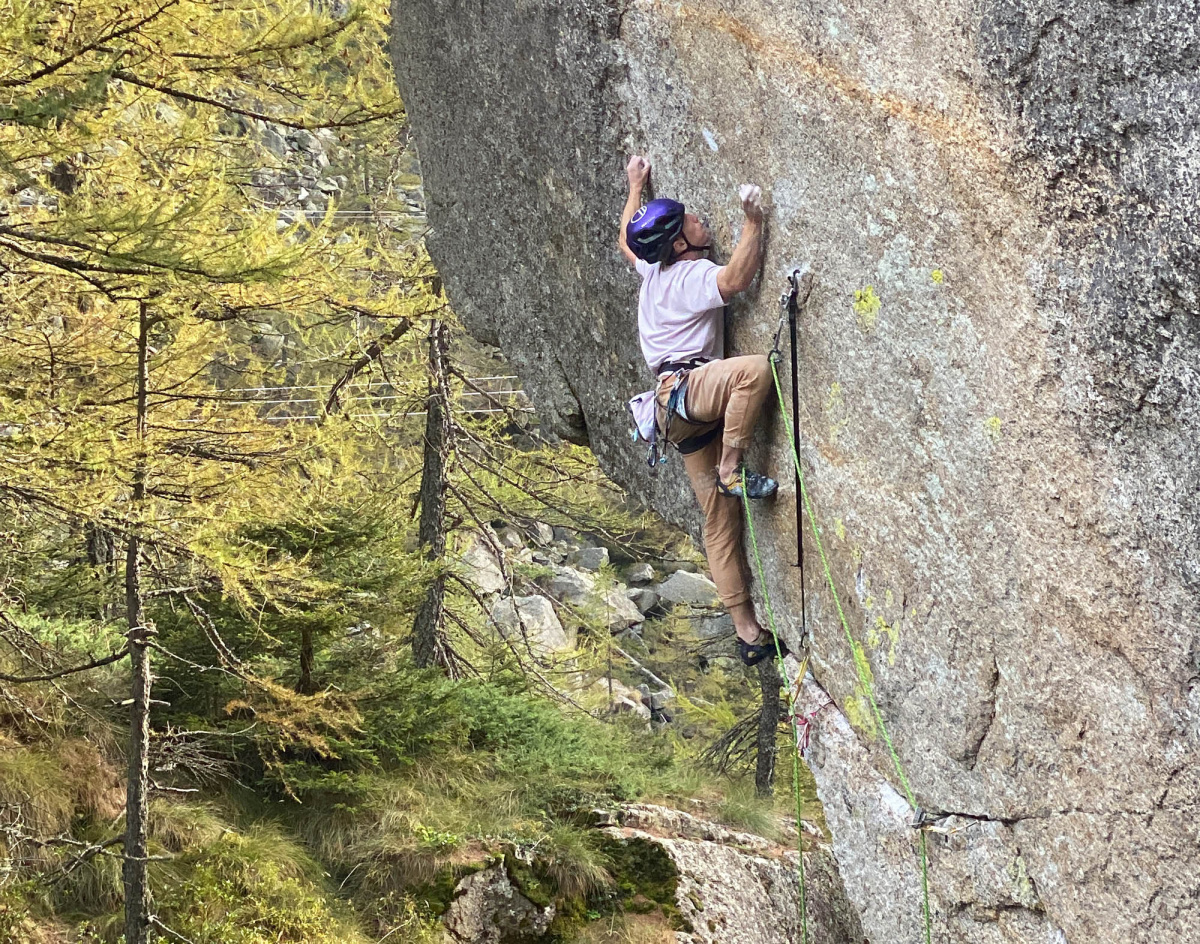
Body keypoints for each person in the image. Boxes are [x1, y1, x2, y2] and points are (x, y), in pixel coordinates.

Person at [617, 154, 787, 667]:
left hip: (674, 410)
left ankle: (748, 633)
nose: (699, 220)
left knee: (718, 522)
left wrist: (635, 187)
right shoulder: (689, 277)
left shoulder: (653, 270)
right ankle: (732, 468)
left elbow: (627, 238)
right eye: (690, 220)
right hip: (691, 390)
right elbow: (735, 280)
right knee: (753, 371)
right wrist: (753, 222)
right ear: (680, 245)